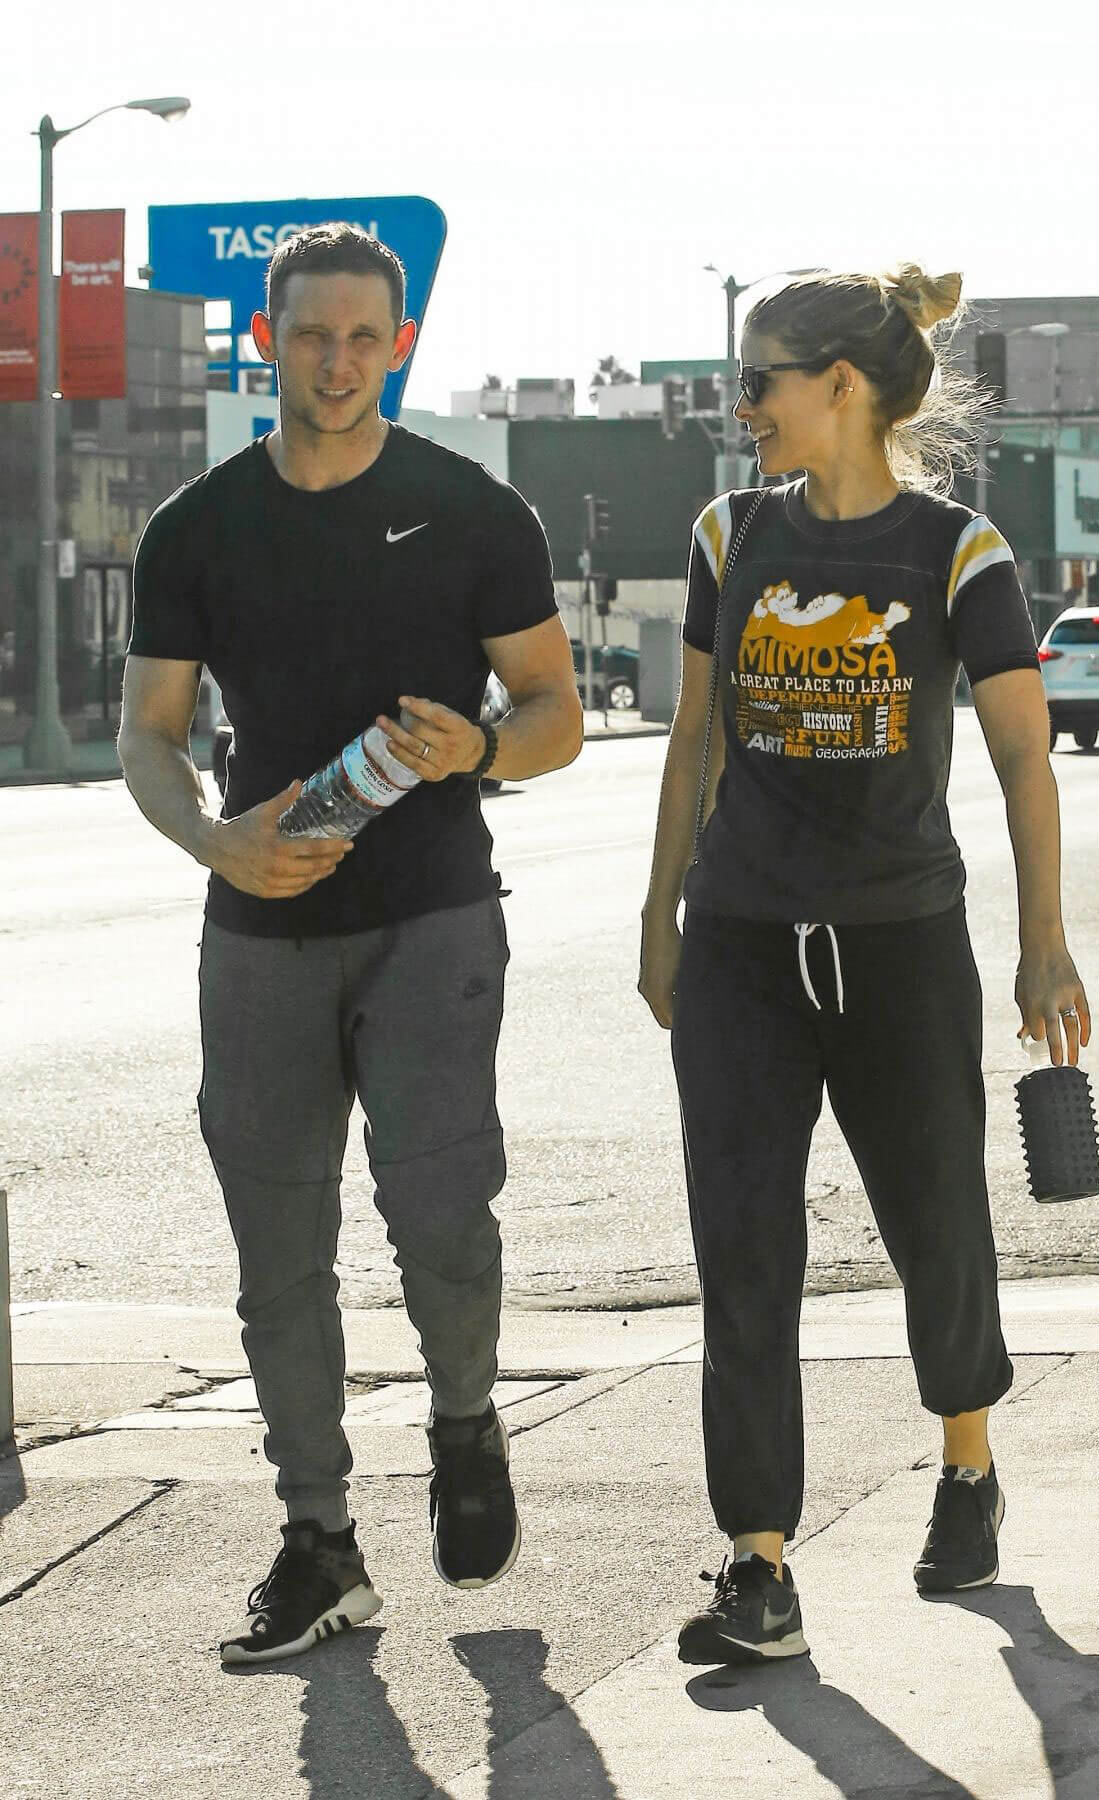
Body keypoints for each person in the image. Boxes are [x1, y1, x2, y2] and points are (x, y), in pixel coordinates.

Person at [119, 223, 582, 1664]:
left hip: (434, 910)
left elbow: (556, 715)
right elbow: (149, 736)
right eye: (310, 334)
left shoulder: (471, 510)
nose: (335, 361)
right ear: (269, 339)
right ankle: (318, 1538)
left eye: (362, 338)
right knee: (279, 1249)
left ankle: (462, 1419)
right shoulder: (195, 526)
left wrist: (480, 751)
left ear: (401, 346)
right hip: (259, 925)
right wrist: (214, 840)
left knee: (442, 1213)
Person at [638, 265, 1091, 1667]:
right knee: (744, 1248)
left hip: (902, 943)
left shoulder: (960, 555)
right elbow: (697, 738)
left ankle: (967, 1464)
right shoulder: (730, 534)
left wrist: (1044, 940)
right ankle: (757, 1561)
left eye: (758, 380)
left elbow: (1023, 752)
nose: (740, 406)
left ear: (840, 386)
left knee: (936, 1222)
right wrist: (663, 917)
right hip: (744, 946)